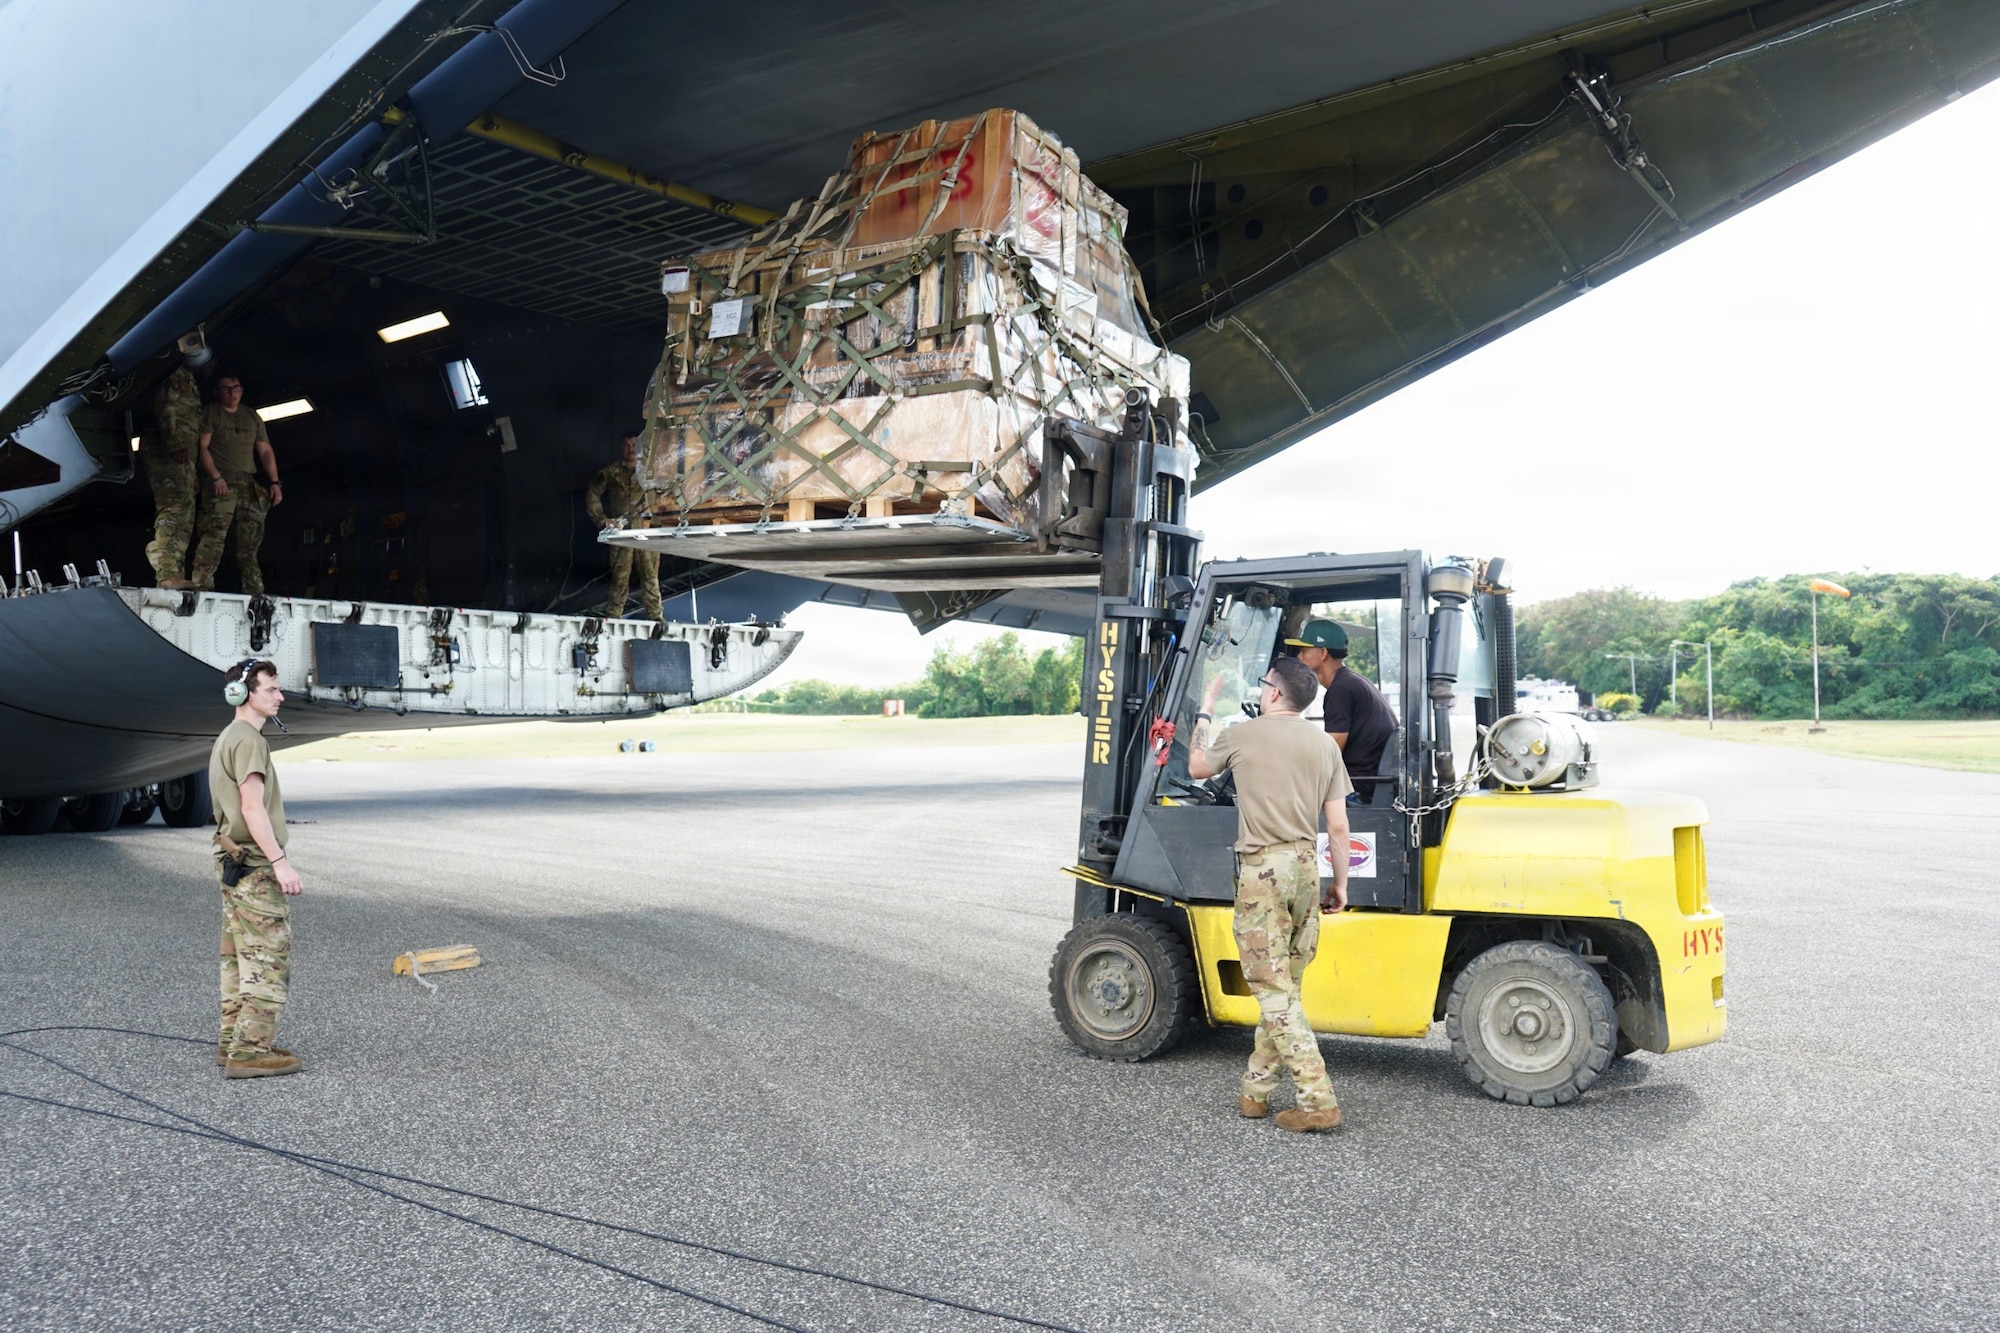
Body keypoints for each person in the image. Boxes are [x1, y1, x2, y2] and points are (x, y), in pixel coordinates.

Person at [1188, 655, 1351, 1133]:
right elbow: (1338, 828)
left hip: (1263, 870)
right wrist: (1338, 883)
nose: (1261, 691)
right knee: (1286, 985)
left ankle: (1317, 1098)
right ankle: (1254, 1093)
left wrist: (1205, 708)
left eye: (1263, 684)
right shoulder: (1324, 746)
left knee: (1272, 988)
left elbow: (1197, 766)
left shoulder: (1244, 733)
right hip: (1305, 867)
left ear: (1274, 693)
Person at [209, 658, 304, 1079]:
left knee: (238, 958)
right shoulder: (249, 740)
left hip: (234, 863)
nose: (280, 696)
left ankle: (234, 1042)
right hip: (256, 866)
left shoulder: (229, 736)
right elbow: (251, 807)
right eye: (272, 688)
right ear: (243, 693)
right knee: (268, 958)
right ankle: (250, 1053)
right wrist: (281, 864)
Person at [189, 373, 285, 594]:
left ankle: (253, 589)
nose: (232, 393)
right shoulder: (212, 412)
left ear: (242, 390)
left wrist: (274, 482)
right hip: (222, 481)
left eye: (236, 388)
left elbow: (265, 450)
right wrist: (215, 477)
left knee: (249, 543)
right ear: (216, 392)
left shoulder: (251, 416)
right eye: (226, 389)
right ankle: (201, 585)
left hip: (247, 483)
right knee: (213, 537)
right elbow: (202, 447)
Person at [1287, 619, 1398, 804]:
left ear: (1323, 653)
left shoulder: (1341, 689)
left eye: (1304, 650)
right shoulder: (1352, 681)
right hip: (1366, 782)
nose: (1299, 656)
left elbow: (1332, 750)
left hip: (1356, 788)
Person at [139, 333, 211, 589]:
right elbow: (166, 408)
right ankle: (166, 573)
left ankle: (173, 575)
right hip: (168, 452)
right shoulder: (174, 375)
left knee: (184, 512)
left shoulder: (188, 379)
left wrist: (191, 473)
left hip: (182, 457)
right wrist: (174, 444)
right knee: (174, 510)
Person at [586, 429, 662, 621]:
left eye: (634, 445)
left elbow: (666, 493)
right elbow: (592, 493)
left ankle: (655, 617)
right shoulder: (611, 473)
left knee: (650, 576)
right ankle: (613, 615)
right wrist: (602, 520)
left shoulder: (651, 471)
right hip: (622, 531)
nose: (630, 449)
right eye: (627, 445)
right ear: (621, 447)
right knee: (620, 576)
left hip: (646, 531)